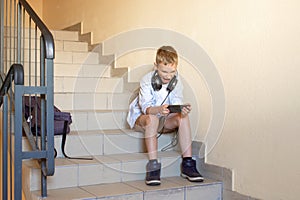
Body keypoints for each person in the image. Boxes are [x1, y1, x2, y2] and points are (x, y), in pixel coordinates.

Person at [127, 46, 203, 186]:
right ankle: (153, 166)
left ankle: (188, 164)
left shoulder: (176, 81)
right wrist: (159, 110)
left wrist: (181, 110)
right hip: (145, 117)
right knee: (153, 119)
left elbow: (175, 104)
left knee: (183, 118)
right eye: (164, 71)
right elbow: (146, 109)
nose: (168, 76)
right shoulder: (146, 80)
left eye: (172, 72)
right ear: (156, 66)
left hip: (164, 118)